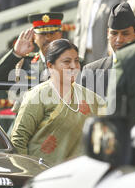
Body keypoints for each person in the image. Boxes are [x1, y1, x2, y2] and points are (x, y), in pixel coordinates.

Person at [11, 39, 104, 167]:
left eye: (76, 61)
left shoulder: (91, 98)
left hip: (78, 175)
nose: (73, 66)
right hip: (41, 174)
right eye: (67, 61)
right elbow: (18, 139)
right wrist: (27, 173)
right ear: (50, 66)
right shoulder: (38, 96)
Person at [80, 1, 135, 98]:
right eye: (114, 33)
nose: (119, 39)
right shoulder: (92, 73)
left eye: (125, 34)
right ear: (108, 33)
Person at [0, 12, 64, 83]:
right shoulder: (24, 64)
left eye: (52, 33)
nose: (48, 37)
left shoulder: (71, 62)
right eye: (43, 33)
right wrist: (16, 54)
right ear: (34, 37)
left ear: (60, 35)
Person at [74, 0, 126, 64]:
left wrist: (108, 55)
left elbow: (116, 30)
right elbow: (78, 33)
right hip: (83, 56)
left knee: (101, 80)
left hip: (104, 56)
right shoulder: (84, 1)